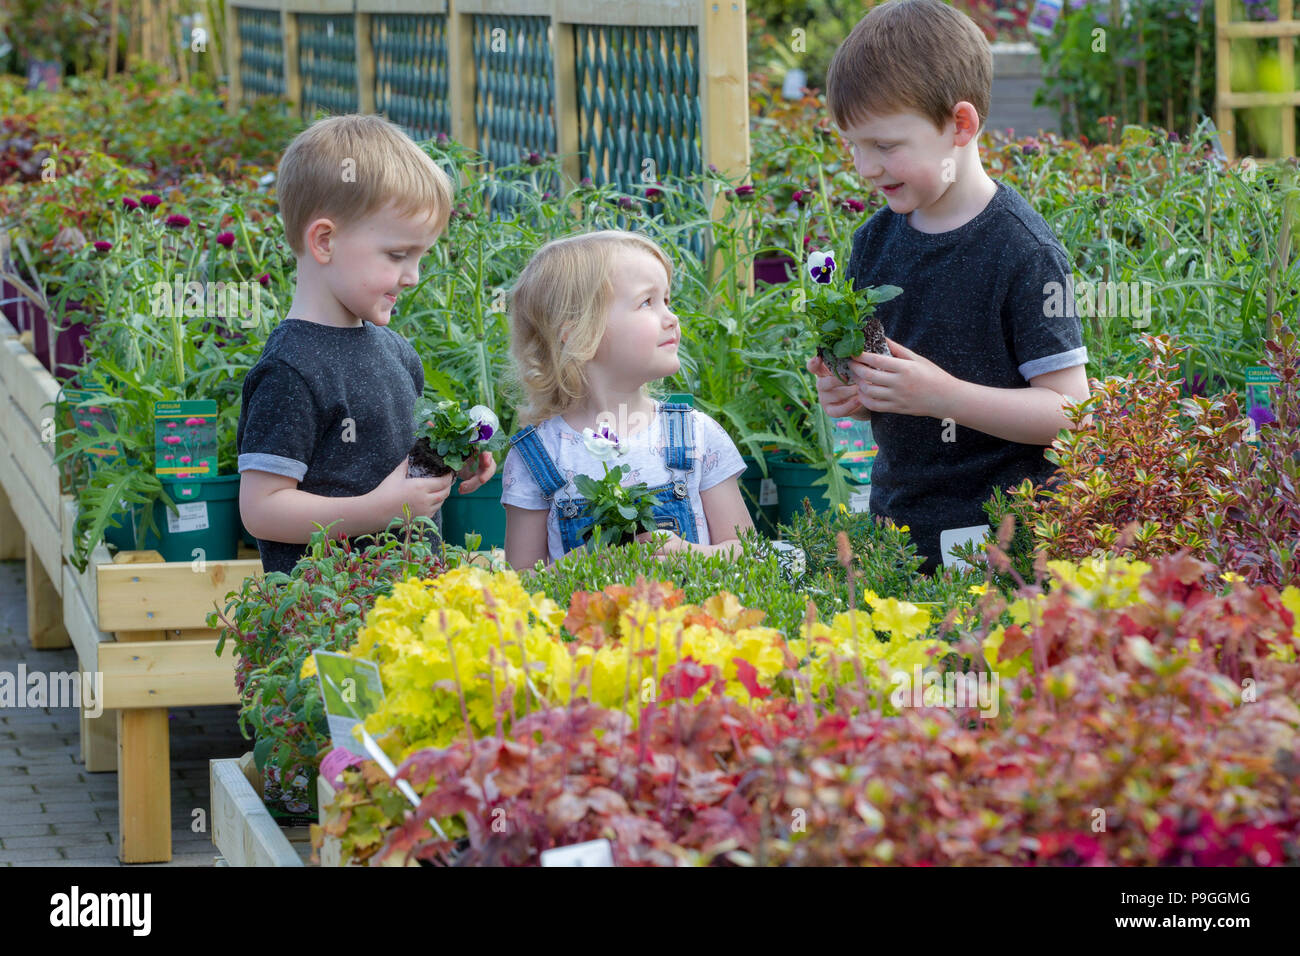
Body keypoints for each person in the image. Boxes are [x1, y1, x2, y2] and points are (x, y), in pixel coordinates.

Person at [806, 0, 1091, 575]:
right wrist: (854, 396)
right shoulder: (873, 243)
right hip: (896, 531)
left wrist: (943, 397)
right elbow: (884, 389)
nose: (864, 165)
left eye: (885, 146)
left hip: (1005, 545)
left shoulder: (1022, 251)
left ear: (960, 126)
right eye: (853, 145)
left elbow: (1072, 414)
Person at [237, 114, 495, 576]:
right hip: (325, 619)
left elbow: (398, 464)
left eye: (420, 256)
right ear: (325, 241)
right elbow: (262, 509)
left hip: (407, 605)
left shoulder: (395, 351)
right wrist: (379, 511)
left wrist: (451, 453)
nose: (412, 276)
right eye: (397, 255)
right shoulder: (291, 370)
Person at [502, 230, 752, 570]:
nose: (671, 317)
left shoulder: (696, 435)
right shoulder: (539, 456)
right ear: (577, 333)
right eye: (647, 302)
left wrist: (691, 556)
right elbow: (521, 585)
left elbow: (748, 553)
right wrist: (575, 568)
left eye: (667, 299)